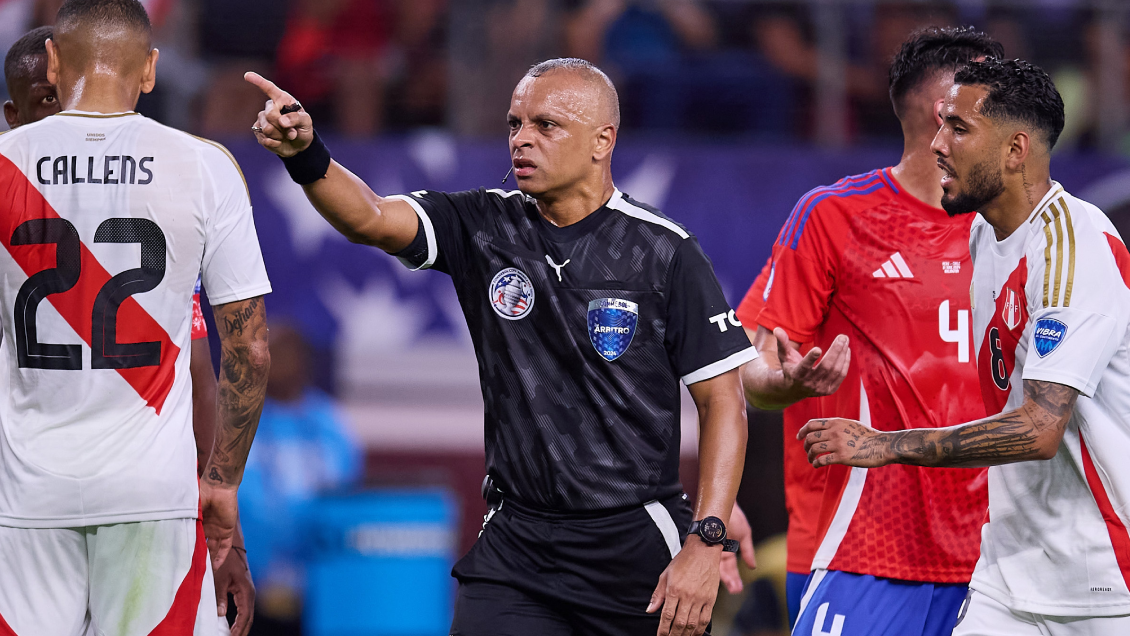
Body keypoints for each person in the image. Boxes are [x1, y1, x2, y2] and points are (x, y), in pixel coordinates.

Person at [247, 56, 755, 636]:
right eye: (515, 124)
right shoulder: (482, 225)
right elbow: (371, 217)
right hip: (517, 546)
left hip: (634, 546)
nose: (522, 139)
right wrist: (305, 155)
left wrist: (705, 540)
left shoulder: (665, 251)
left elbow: (724, 403)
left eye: (546, 125)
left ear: (602, 140)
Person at [801, 57, 1130, 634]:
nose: (937, 145)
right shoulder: (985, 233)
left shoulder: (1073, 247)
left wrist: (884, 445)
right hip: (1007, 573)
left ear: (1015, 149)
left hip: (1101, 580)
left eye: (958, 128)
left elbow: (1038, 428)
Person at [0, 1, 271, 634]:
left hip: (27, 494)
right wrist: (222, 483)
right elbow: (249, 350)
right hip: (153, 496)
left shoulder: (5, 162)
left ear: (55, 62)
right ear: (150, 69)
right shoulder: (205, 167)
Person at [734, 26, 1003, 634]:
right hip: (860, 552)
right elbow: (753, 363)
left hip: (997, 558)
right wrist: (786, 383)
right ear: (946, 114)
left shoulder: (1018, 231)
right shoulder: (833, 216)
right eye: (998, 99)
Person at [238, 325, 362, 635]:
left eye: (284, 354)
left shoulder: (332, 424)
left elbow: (348, 496)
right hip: (247, 580)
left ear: (304, 362)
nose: (275, 362)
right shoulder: (237, 420)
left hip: (321, 584)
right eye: (268, 353)